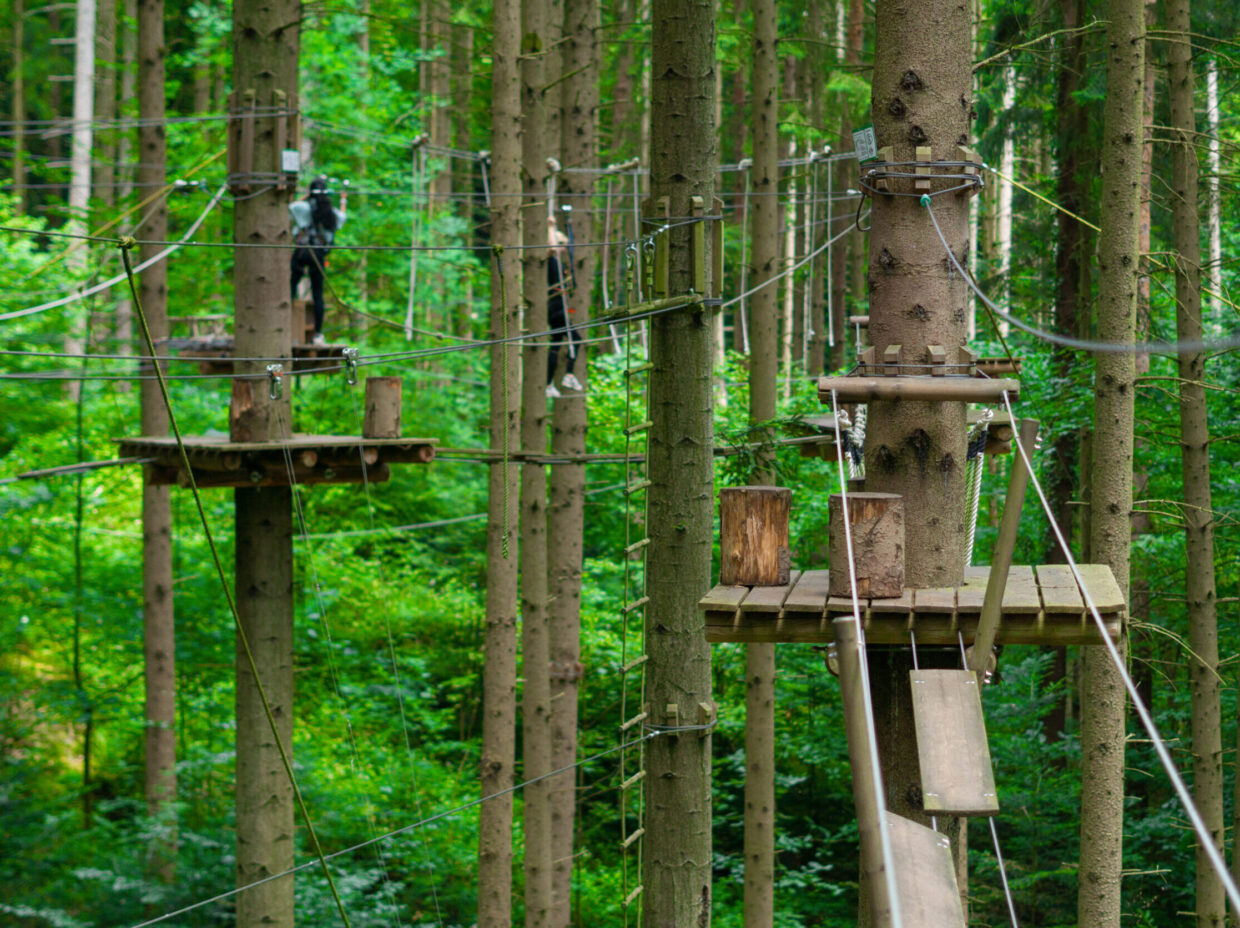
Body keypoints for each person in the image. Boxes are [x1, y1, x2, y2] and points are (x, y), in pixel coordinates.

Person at [289, 175, 347, 345]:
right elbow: (343, 217)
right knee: (317, 294)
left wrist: (307, 196)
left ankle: (286, 326)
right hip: (318, 253)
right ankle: (318, 334)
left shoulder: (303, 208)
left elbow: (290, 207)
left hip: (302, 251)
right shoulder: (330, 213)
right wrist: (343, 200)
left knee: (290, 288)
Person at [545, 218, 583, 398]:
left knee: (555, 345)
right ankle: (568, 375)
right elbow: (551, 248)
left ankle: (549, 383)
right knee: (576, 339)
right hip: (557, 308)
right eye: (563, 245)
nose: (564, 249)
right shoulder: (552, 260)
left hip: (556, 308)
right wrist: (551, 227)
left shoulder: (558, 263)